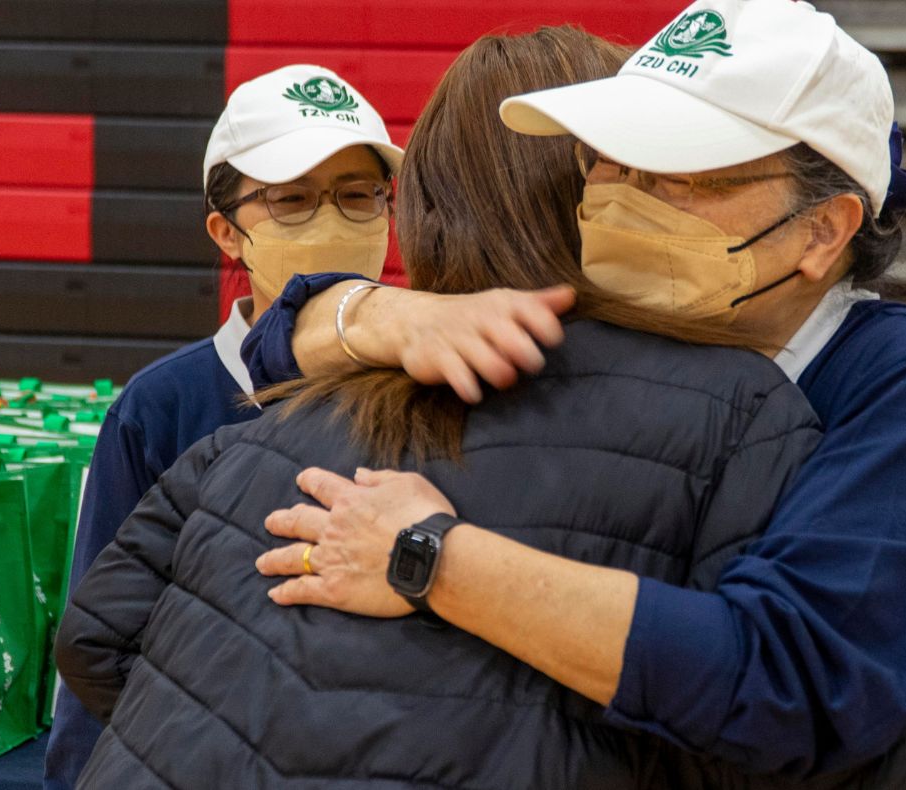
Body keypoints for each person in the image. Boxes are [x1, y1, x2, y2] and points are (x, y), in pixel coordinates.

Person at [247, 2, 906, 786]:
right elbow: (265, 352)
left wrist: (432, 556)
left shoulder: (900, 378)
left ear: (823, 231)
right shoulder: (596, 331)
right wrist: (367, 310)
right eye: (611, 158)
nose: (625, 200)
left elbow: (798, 686)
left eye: (687, 176)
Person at [56, 27, 839, 788]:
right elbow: (770, 717)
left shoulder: (284, 414)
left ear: (418, 204)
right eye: (293, 201)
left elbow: (96, 635)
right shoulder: (740, 412)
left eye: (359, 196)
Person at [43, 64, 404, 790]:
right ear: (228, 232)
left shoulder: (432, 389)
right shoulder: (162, 408)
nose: (333, 222)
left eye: (359, 195)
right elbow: (96, 642)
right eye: (293, 200)